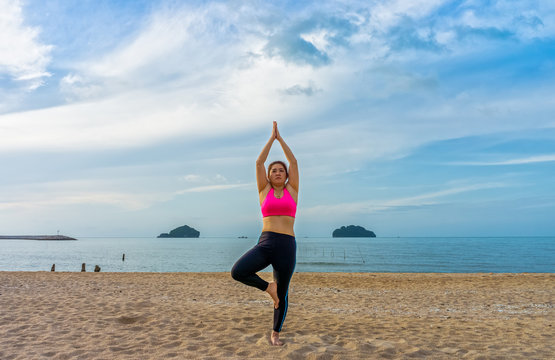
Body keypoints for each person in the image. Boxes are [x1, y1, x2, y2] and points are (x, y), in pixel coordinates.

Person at [231, 121, 299, 346]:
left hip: (287, 245)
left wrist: (282, 140)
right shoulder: (264, 190)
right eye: (274, 170)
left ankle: (275, 333)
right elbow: (259, 161)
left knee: (283, 293)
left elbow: (294, 161)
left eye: (281, 170)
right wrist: (272, 138)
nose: (278, 172)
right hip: (266, 242)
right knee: (238, 271)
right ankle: (268, 287)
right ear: (268, 176)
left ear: (286, 175)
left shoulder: (292, 190)